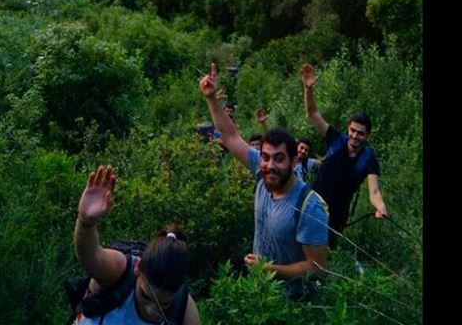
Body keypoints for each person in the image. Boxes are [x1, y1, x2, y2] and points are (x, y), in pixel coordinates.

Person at [200, 63, 329, 301]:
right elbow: (229, 135)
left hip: (292, 306)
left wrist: (269, 270)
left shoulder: (308, 206)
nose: (270, 165)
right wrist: (211, 99)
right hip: (259, 294)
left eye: (279, 159)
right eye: (266, 157)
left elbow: (318, 269)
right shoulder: (262, 174)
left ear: (293, 161)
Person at [73, 164, 201, 324]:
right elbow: (90, 257)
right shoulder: (118, 273)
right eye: (145, 296)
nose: (151, 309)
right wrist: (86, 222)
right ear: (138, 267)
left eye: (164, 305)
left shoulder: (184, 310)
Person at [300, 63, 388, 247]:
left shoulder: (369, 159)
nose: (355, 136)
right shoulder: (335, 139)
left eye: (360, 133)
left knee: (326, 253)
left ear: (367, 135)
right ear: (348, 129)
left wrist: (380, 206)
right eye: (353, 130)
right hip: (312, 202)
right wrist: (308, 89)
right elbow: (312, 113)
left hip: (337, 216)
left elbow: (374, 191)